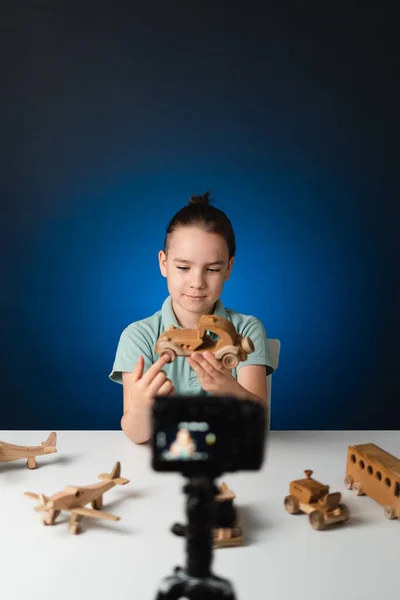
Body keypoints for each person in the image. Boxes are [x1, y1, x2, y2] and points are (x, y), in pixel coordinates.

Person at [109, 192, 274, 444]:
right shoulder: (138, 335)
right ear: (163, 263)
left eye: (213, 269)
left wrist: (228, 387)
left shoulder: (246, 329)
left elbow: (258, 425)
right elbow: (137, 435)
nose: (197, 283)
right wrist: (141, 407)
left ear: (229, 267)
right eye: (184, 267)